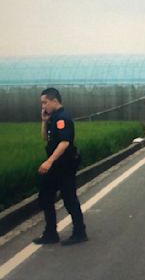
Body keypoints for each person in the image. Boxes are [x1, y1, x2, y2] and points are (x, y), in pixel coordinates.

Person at [33, 88, 87, 246]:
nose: (43, 106)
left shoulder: (63, 118)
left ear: (54, 100)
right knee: (45, 197)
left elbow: (65, 142)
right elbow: (45, 138)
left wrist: (49, 162)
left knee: (69, 198)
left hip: (64, 165)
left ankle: (79, 232)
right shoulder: (52, 118)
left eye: (45, 102)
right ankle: (50, 233)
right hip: (54, 166)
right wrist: (44, 121)